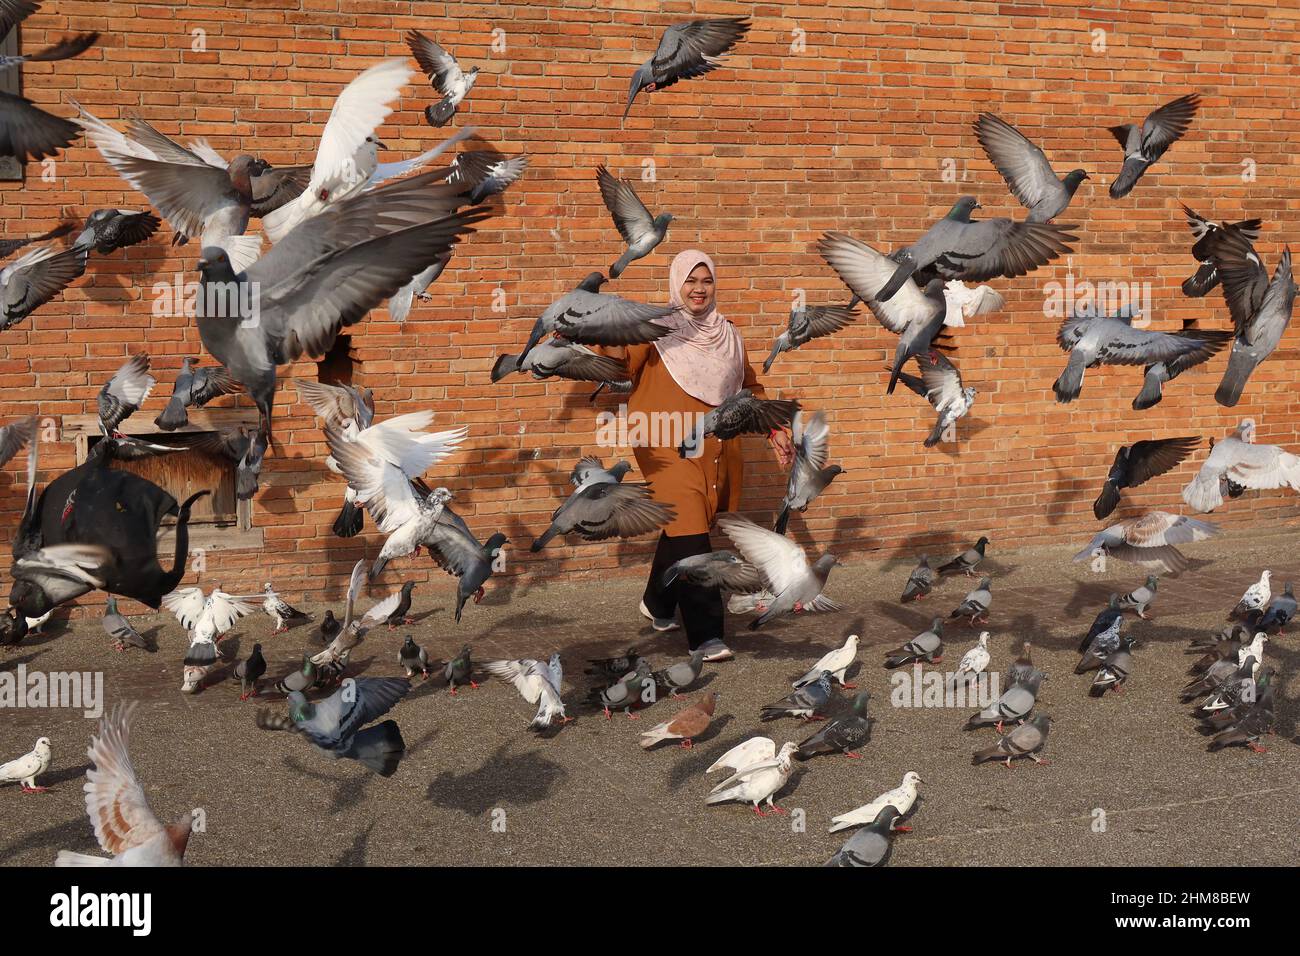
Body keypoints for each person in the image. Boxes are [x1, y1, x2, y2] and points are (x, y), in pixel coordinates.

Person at [603, 249, 791, 661]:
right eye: (690, 281)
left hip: (715, 447)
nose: (698, 289)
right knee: (691, 525)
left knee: (688, 522)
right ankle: (706, 635)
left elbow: (750, 391)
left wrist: (776, 427)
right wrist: (592, 325)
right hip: (663, 442)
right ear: (676, 284)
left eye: (706, 281)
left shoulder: (728, 335)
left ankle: (657, 601)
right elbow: (615, 361)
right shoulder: (652, 331)